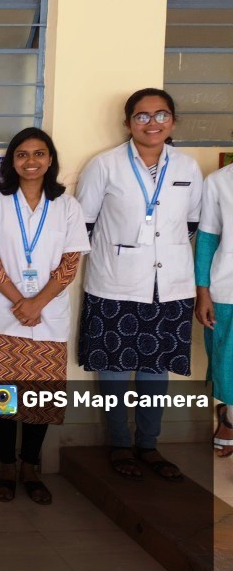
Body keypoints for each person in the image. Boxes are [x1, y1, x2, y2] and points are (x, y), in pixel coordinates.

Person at [77, 88, 202, 481]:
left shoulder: (187, 167)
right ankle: (119, 443)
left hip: (170, 284)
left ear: (173, 121)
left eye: (161, 115)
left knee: (155, 368)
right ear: (128, 122)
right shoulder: (105, 165)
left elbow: (192, 222)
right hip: (114, 283)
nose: (152, 123)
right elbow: (83, 224)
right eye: (142, 116)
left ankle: (148, 445)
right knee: (113, 368)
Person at [0, 128, 89, 505]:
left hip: (48, 316)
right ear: (12, 161)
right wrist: (21, 301)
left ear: (50, 159)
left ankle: (30, 468)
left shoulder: (67, 206)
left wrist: (37, 303)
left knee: (42, 399)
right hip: (1, 315)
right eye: (22, 154)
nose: (31, 161)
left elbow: (70, 263)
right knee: (3, 398)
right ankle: (7, 467)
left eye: (39, 153)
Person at [193, 162, 233, 456]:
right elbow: (206, 239)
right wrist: (202, 291)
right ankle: (230, 417)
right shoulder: (219, 181)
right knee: (227, 359)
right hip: (228, 284)